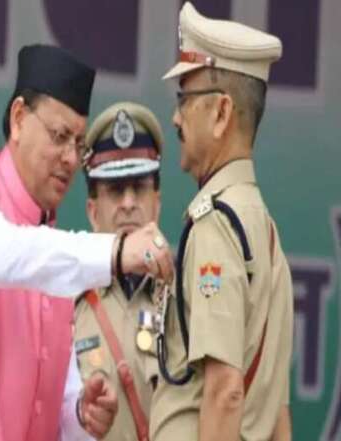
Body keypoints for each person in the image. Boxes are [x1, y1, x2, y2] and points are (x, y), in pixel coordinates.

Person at [0, 44, 176, 441]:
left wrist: (81, 414)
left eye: (78, 145)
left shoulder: (55, 260)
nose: (70, 158)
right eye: (60, 136)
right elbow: (12, 253)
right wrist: (115, 251)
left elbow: (51, 406)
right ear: (18, 119)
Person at [150, 3, 293, 440]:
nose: (175, 118)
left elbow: (226, 391)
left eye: (184, 99)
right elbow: (277, 411)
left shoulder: (217, 225)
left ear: (221, 114)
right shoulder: (264, 230)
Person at [73, 102, 166, 441]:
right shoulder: (65, 303)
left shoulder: (184, 300)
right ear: (92, 211)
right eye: (115, 190)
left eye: (139, 188)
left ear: (157, 202)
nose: (128, 203)